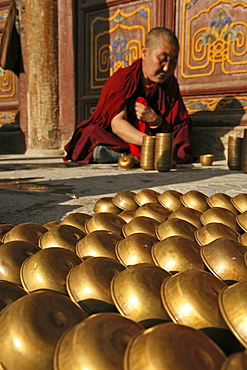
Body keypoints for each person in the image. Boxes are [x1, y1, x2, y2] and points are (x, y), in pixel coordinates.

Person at [63, 27, 193, 165]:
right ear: (145, 52)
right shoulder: (122, 79)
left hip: (153, 136)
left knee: (182, 133)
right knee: (91, 133)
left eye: (173, 61)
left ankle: (128, 156)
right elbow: (117, 124)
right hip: (124, 137)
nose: (167, 68)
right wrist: (151, 143)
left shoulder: (169, 83)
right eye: (162, 60)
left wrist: (156, 121)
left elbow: (178, 122)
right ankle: (134, 155)